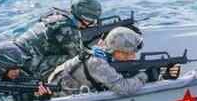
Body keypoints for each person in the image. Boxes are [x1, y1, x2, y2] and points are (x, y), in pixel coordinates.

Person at [48, 27, 181, 96]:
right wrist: (146, 76)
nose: (133, 57)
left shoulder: (105, 54)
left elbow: (124, 74)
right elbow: (123, 88)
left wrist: (163, 75)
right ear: (115, 50)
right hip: (60, 95)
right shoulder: (98, 62)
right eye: (128, 53)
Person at [14, 0, 103, 81]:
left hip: (20, 55)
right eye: (91, 21)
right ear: (83, 17)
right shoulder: (66, 28)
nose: (93, 23)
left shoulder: (59, 16)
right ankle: (46, 77)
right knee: (75, 60)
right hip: (29, 64)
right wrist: (95, 50)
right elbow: (79, 55)